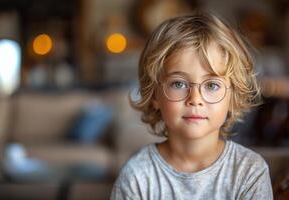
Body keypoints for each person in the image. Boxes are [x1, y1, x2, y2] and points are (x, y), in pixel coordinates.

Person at [110, 12, 273, 199]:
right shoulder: (137, 176)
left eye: (212, 85)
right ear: (155, 93)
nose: (195, 99)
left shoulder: (250, 171)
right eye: (178, 84)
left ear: (233, 96)